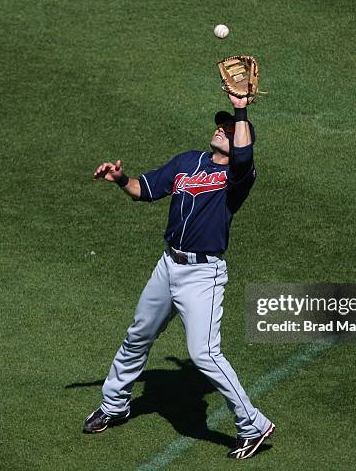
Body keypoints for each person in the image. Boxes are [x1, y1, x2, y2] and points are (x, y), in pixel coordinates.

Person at [85, 94, 274, 459]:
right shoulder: (189, 161)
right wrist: (120, 178)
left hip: (203, 274)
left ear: (240, 140)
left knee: (203, 353)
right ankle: (114, 404)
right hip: (167, 265)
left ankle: (253, 424)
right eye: (221, 125)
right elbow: (145, 189)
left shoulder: (239, 175)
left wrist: (241, 109)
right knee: (138, 334)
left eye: (230, 129)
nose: (222, 129)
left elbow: (246, 155)